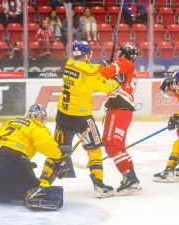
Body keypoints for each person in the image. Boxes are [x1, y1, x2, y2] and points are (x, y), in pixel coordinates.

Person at [41, 41, 123, 198]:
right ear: (88, 54)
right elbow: (106, 86)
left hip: (63, 115)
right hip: (82, 118)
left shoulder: (70, 63)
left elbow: (87, 68)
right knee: (94, 150)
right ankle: (99, 184)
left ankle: (43, 181)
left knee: (56, 149)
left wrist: (101, 65)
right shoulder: (89, 72)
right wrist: (117, 80)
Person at [0, 104, 70, 210]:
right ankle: (22, 190)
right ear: (41, 118)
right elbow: (45, 143)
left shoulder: (10, 122)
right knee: (32, 189)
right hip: (13, 160)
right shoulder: (37, 126)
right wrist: (58, 157)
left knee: (7, 188)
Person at [98, 44, 142, 195]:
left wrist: (103, 65)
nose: (118, 55)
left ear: (125, 54)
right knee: (120, 147)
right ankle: (131, 176)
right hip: (123, 110)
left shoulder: (125, 63)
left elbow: (105, 72)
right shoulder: (130, 68)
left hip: (118, 109)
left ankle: (129, 178)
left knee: (111, 144)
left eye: (120, 53)